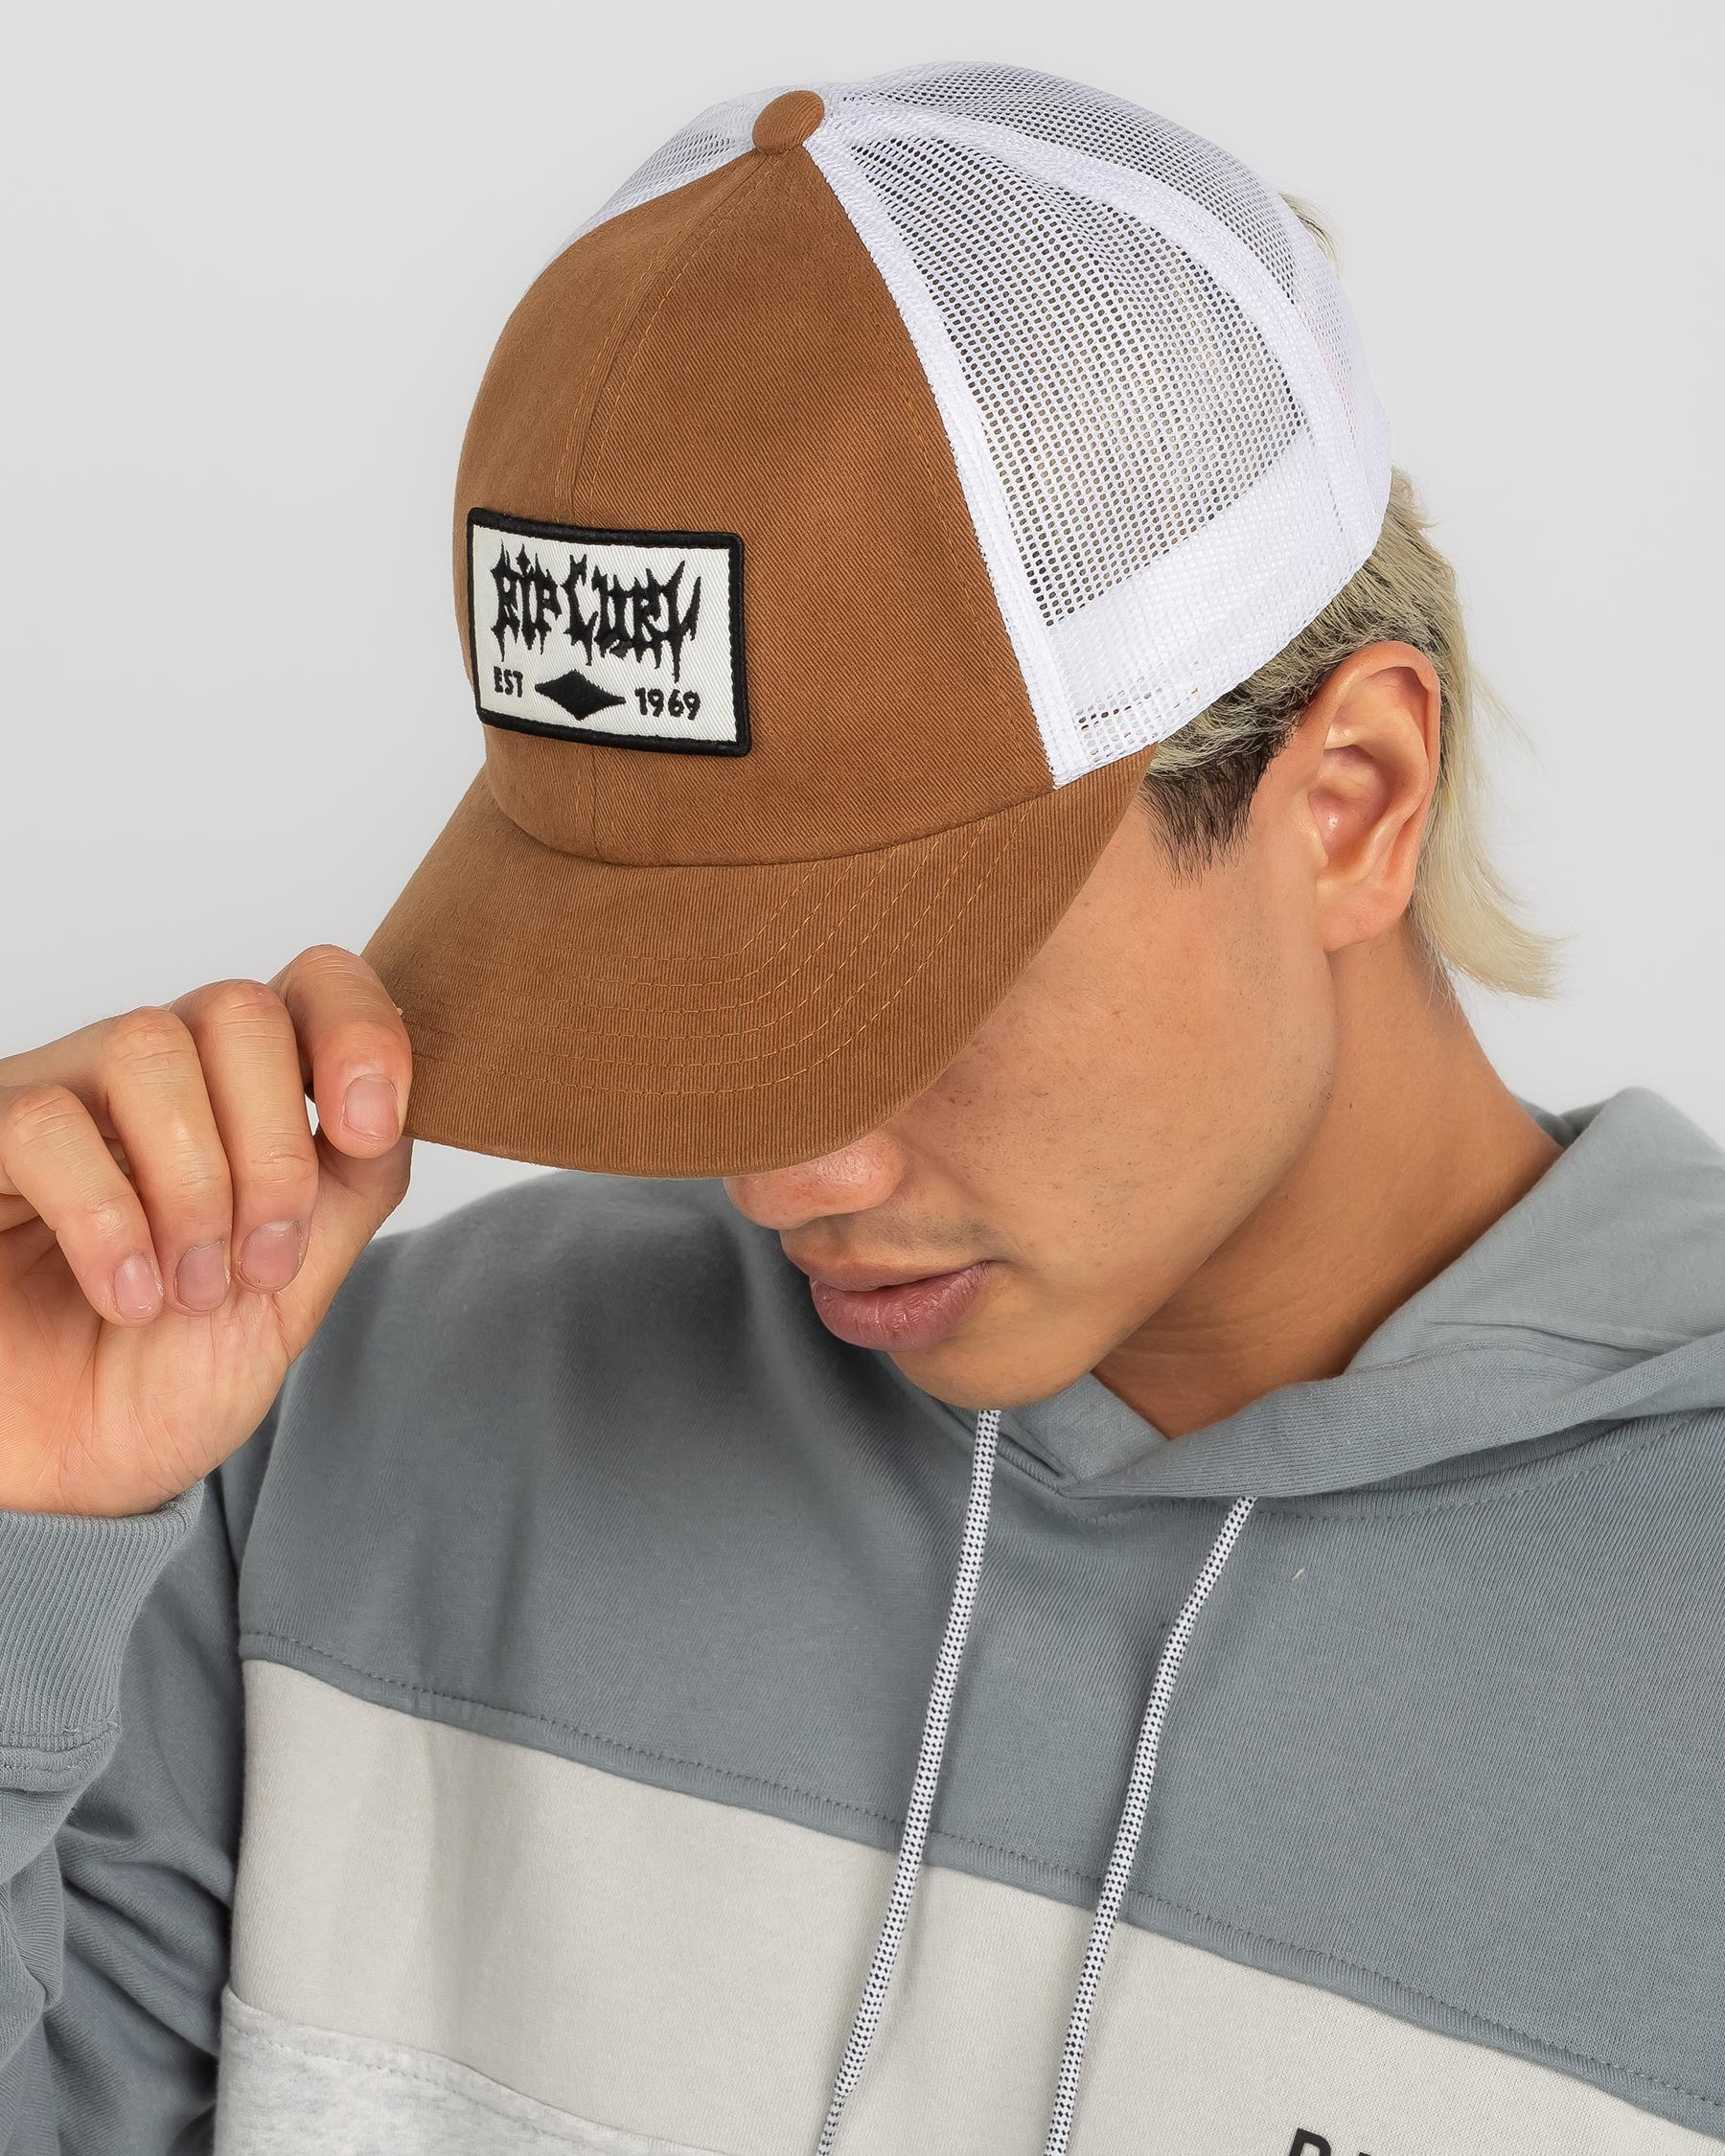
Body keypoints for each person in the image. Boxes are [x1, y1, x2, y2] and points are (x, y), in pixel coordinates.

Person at [2, 59, 1720, 2156]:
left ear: (1350, 800)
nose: (781, 1170)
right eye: (687, 991)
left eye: (904, 991)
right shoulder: (338, 1429)